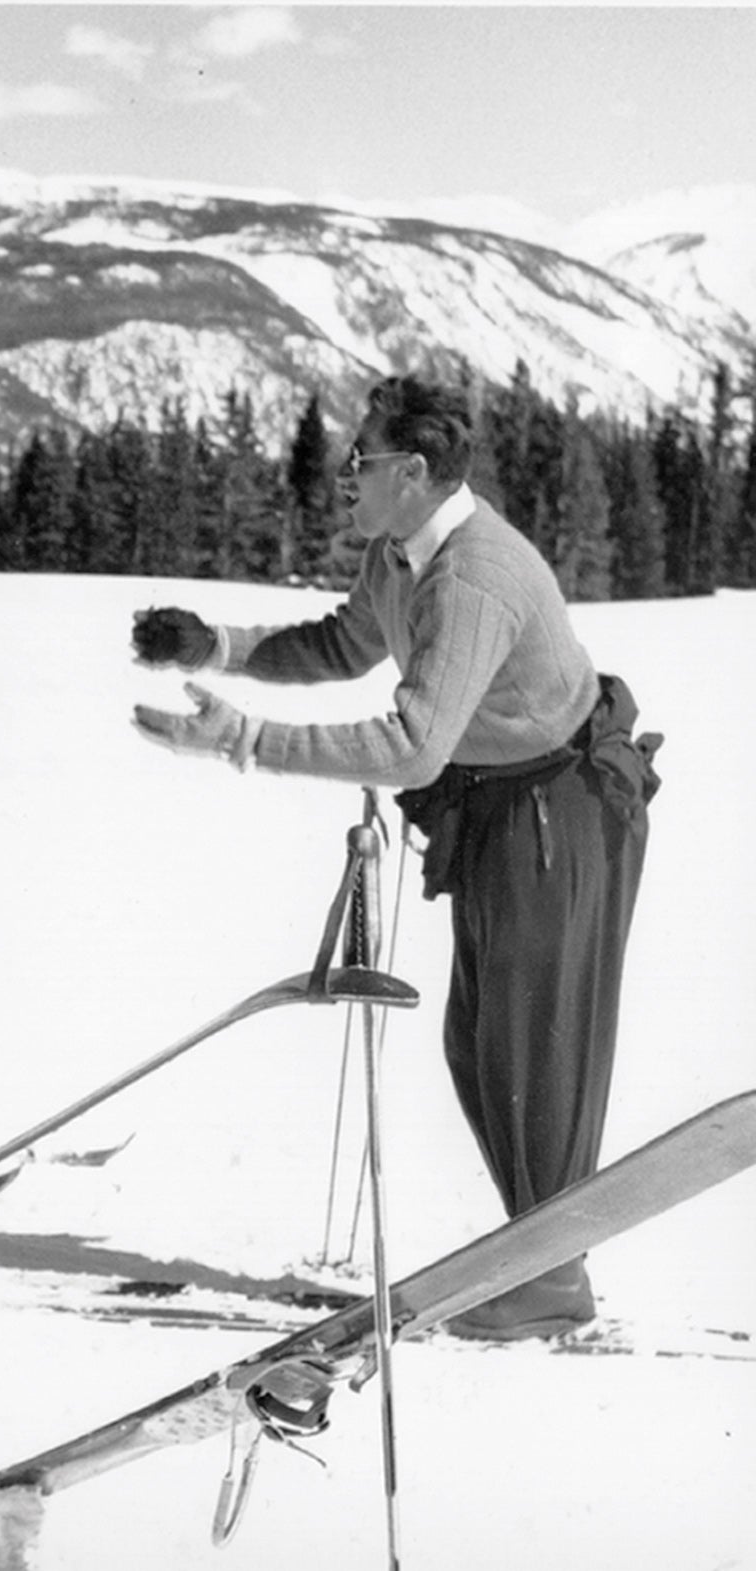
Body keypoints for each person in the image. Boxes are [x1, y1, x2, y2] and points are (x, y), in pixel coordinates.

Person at [131, 373, 659, 1342]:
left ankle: (549, 1273)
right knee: (481, 1040)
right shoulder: (401, 553)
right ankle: (537, 1256)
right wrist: (214, 644)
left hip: (562, 806)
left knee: (530, 1045)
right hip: (500, 803)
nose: (345, 476)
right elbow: (342, 643)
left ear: (410, 472)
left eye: (359, 460)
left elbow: (412, 743)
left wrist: (246, 740)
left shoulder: (470, 576)